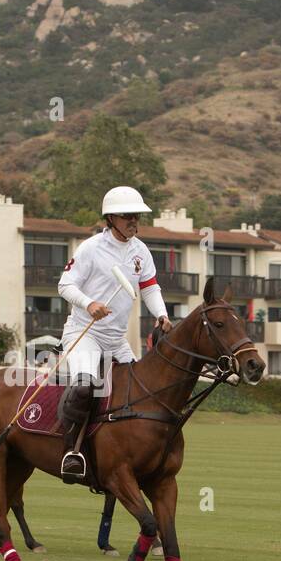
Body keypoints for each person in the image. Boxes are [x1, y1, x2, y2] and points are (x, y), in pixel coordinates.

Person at [55, 186, 172, 483]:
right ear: (111, 218)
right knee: (84, 387)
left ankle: (128, 452)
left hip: (116, 339)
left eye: (137, 216)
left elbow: (150, 287)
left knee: (142, 391)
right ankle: (72, 452)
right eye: (128, 216)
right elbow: (65, 286)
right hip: (85, 333)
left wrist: (161, 314)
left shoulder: (140, 251)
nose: (134, 221)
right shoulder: (91, 248)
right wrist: (89, 303)